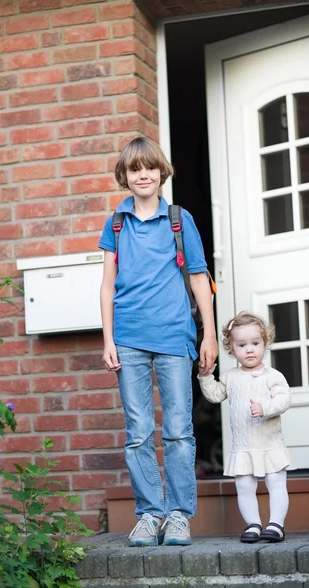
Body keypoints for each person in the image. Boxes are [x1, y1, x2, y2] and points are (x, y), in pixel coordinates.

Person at [99, 136, 218, 547]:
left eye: (149, 167)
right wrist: (108, 338)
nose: (143, 174)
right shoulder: (116, 222)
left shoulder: (179, 221)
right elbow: (107, 284)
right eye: (134, 169)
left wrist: (210, 336)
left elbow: (200, 279)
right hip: (129, 337)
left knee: (179, 431)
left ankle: (179, 515)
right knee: (137, 432)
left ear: (161, 171)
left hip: (173, 336)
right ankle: (150, 514)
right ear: (125, 176)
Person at [198, 311, 295, 543]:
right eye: (242, 345)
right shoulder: (230, 377)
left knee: (276, 482)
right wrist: (205, 377)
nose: (249, 349)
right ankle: (253, 524)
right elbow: (215, 395)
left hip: (269, 442)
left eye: (255, 343)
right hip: (243, 445)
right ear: (232, 349)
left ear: (265, 343)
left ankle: (276, 524)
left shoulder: (272, 375)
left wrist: (265, 408)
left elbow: (284, 399)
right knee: (244, 485)